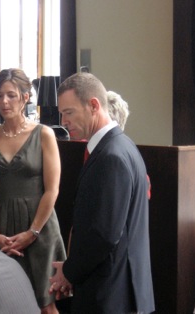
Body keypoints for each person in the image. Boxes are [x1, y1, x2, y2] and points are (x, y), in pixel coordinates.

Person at [49, 72, 155, 314]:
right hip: (119, 292)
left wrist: (69, 272)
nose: (63, 121)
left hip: (112, 297)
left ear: (94, 105)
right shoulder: (122, 146)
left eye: (69, 112)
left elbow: (103, 235)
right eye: (61, 114)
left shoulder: (111, 156)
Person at [0, 68, 66, 314]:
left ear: (25, 97)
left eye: (11, 95)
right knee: (5, 303)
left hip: (40, 228)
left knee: (45, 304)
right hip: (2, 230)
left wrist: (33, 232)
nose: (4, 102)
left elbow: (52, 190)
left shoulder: (44, 134)